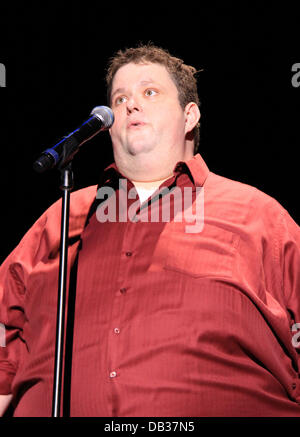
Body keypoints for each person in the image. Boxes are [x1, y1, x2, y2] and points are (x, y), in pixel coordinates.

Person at [0, 43, 300, 417]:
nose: (131, 104)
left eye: (150, 92)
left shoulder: (260, 217)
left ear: (189, 116)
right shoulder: (60, 219)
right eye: (120, 97)